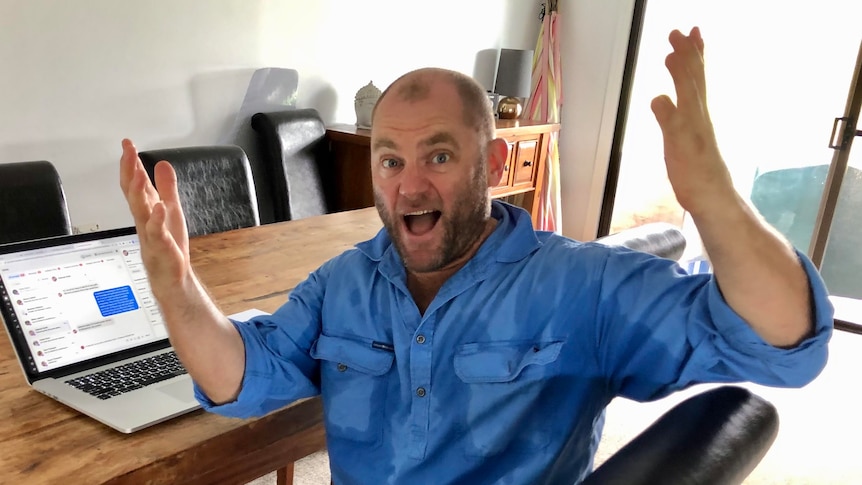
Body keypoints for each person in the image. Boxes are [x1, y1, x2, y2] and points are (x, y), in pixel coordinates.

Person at [119, 27, 832, 483]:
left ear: (489, 161)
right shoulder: (344, 284)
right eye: (390, 160)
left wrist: (713, 199)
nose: (409, 183)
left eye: (438, 154)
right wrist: (175, 286)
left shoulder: (577, 287)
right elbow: (240, 374)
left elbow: (782, 341)